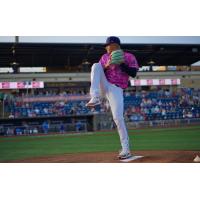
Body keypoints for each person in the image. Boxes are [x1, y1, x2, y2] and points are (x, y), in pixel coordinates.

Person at [86, 36, 139, 160]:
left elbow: (133, 73)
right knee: (95, 66)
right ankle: (95, 97)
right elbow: (99, 73)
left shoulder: (129, 56)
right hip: (104, 86)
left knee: (118, 118)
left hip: (116, 89)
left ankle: (126, 149)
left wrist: (121, 64)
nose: (106, 47)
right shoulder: (104, 57)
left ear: (114, 45)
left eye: (107, 45)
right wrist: (106, 66)